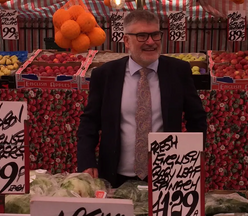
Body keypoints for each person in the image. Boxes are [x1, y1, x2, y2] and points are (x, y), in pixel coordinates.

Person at [77, 10, 207, 187]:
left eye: (155, 34)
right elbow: (90, 122)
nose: (151, 42)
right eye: (142, 36)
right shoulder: (105, 75)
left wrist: (190, 159)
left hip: (167, 175)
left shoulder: (178, 71)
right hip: (115, 176)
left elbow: (197, 118)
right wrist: (87, 161)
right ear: (126, 41)